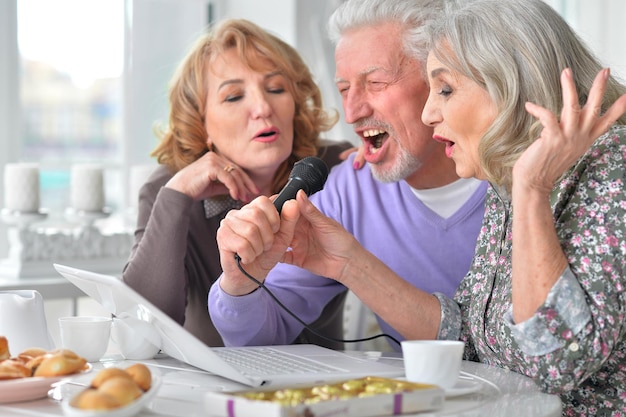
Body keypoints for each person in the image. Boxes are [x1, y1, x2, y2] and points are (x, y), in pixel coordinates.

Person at [214, 0, 626, 413]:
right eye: (343, 89)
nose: (352, 111)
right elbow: (473, 342)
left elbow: (554, 361)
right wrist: (345, 263)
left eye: (444, 88)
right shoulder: (507, 176)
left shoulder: (597, 168)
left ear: (508, 83)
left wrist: (530, 190)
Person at [209, 0, 487, 351]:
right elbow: (259, 335)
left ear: (442, 81)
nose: (352, 111)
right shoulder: (349, 190)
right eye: (344, 89)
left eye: (376, 82)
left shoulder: (525, 177)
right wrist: (238, 283)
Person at [122, 18, 354, 348]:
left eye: (276, 89)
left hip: (323, 387)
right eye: (233, 97)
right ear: (200, 124)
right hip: (207, 389)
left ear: (296, 104)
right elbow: (140, 326)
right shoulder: (169, 189)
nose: (262, 108)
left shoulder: (335, 169)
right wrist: (175, 197)